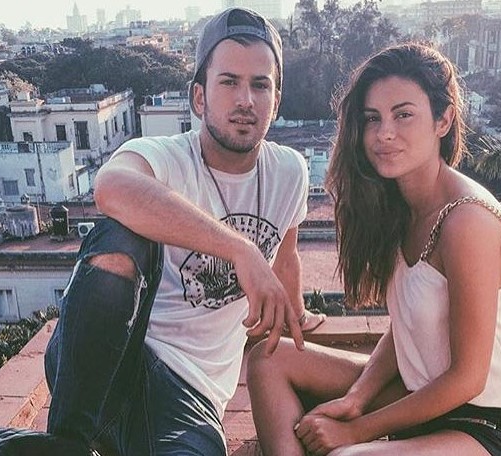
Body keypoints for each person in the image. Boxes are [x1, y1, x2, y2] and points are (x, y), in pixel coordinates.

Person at [247, 42, 501, 456]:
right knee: (268, 360)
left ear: (443, 120)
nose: (384, 133)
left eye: (403, 115)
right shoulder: (398, 206)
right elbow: (408, 326)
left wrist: (357, 430)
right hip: (425, 392)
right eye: (372, 118)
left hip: (499, 420)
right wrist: (357, 397)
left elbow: (468, 378)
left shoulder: (467, 222)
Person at [43, 7, 323, 456]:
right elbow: (111, 187)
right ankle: (66, 444)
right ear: (199, 97)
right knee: (120, 237)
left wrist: (298, 317)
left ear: (276, 99)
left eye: (260, 85)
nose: (245, 100)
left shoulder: (290, 173)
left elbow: (286, 257)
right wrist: (240, 250)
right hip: (108, 363)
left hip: (191, 394)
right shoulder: (168, 157)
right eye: (228, 82)